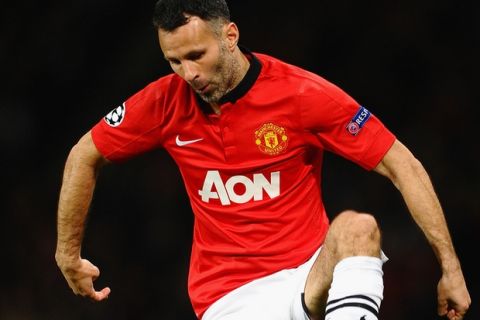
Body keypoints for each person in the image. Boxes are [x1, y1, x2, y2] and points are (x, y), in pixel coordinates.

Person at [55, 0, 471, 319]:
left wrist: (450, 268)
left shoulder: (302, 95)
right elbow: (82, 155)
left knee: (358, 228)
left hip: (309, 276)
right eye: (174, 61)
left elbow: (403, 164)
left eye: (197, 55)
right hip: (230, 298)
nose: (188, 73)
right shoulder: (165, 102)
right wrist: (67, 255)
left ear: (230, 35)